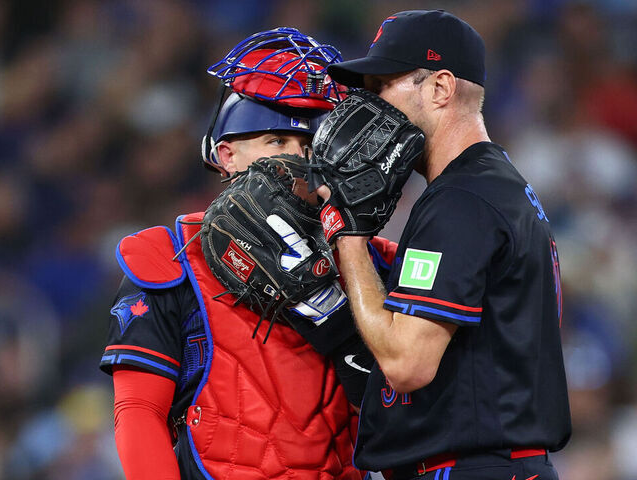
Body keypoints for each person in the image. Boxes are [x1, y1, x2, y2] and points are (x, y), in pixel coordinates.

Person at [100, 28, 392, 480]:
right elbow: (139, 410)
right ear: (227, 154)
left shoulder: (369, 261)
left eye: (309, 146)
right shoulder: (169, 257)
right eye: (276, 141)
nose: (296, 160)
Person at [315, 10, 572, 480]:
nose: (367, 106)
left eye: (380, 87)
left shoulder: (461, 199)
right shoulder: (489, 185)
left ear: (440, 88)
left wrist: (346, 237)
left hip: (473, 466)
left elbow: (407, 363)